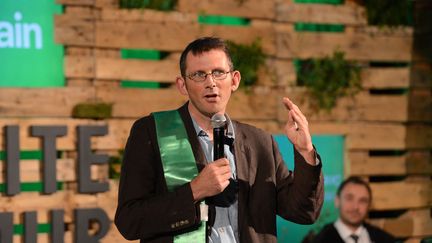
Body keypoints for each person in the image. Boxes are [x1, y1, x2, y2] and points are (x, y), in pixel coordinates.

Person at [114, 37, 324, 243]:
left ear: (234, 80)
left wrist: (305, 150)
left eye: (218, 72)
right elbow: (129, 221)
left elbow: (304, 212)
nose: (210, 83)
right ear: (182, 86)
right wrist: (194, 191)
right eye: (198, 75)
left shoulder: (260, 142)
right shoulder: (152, 132)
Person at [312, 176, 395, 243]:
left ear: (369, 205)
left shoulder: (384, 239)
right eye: (349, 198)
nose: (355, 207)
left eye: (363, 201)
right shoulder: (321, 240)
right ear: (337, 201)